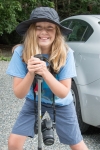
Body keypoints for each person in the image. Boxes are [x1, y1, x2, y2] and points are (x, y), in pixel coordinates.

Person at [6, 7, 89, 150]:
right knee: (13, 143)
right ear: (31, 30)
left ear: (57, 31)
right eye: (38, 27)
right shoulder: (21, 52)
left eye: (50, 28)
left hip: (62, 105)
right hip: (33, 101)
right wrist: (30, 73)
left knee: (77, 145)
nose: (44, 32)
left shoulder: (66, 53)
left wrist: (45, 72)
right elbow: (19, 94)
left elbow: (63, 92)